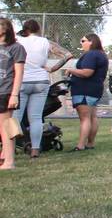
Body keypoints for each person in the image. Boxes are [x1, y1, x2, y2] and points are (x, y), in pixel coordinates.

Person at [13, 19, 72, 158]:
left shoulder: (18, 41)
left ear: (24, 29)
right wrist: (52, 68)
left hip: (22, 80)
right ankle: (35, 150)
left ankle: (10, 150)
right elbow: (68, 55)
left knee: (16, 117)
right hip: (41, 80)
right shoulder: (45, 42)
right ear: (38, 29)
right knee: (36, 118)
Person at [65, 33, 108, 151]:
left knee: (84, 118)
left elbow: (87, 72)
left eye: (83, 41)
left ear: (91, 42)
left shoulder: (91, 54)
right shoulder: (101, 54)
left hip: (84, 89)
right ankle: (90, 143)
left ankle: (80, 145)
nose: (81, 43)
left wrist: (71, 70)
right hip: (95, 90)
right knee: (92, 117)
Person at [0, 18, 26, 170]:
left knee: (6, 126)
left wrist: (14, 94)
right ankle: (5, 157)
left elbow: (19, 72)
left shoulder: (16, 48)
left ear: (5, 29)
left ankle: (9, 162)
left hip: (6, 91)